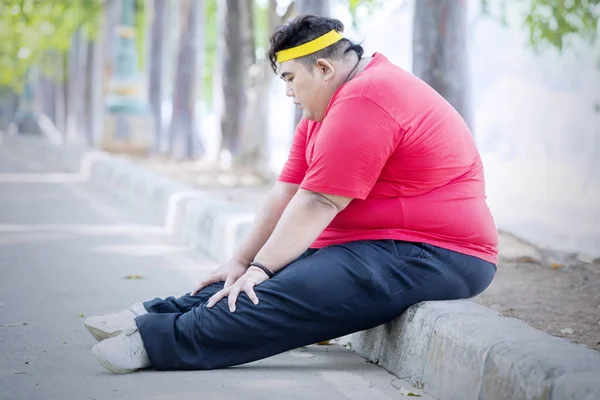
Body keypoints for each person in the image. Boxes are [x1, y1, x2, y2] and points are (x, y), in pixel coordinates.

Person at [86, 14, 498, 374]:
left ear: (322, 68)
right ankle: (154, 316)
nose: (288, 92)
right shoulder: (324, 110)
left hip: (435, 253)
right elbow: (287, 192)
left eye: (289, 79)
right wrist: (241, 261)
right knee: (246, 278)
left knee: (281, 292)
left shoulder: (367, 97)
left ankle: (157, 343)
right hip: (376, 245)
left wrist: (261, 270)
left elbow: (320, 201)